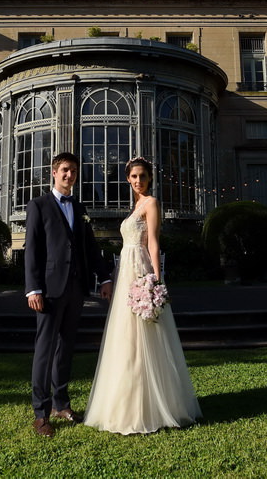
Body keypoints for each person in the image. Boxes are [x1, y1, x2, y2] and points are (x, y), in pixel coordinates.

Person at [83, 156, 202, 434]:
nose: (138, 181)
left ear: (150, 178)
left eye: (143, 176)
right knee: (126, 336)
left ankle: (152, 404)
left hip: (140, 271)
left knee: (146, 333)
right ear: (128, 179)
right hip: (125, 271)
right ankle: (125, 400)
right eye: (134, 177)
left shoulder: (151, 203)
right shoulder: (134, 206)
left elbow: (153, 241)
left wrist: (156, 280)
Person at [25, 152, 113, 438]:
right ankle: (41, 413)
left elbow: (89, 246)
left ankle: (61, 404)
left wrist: (105, 276)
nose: (69, 175)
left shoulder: (79, 205)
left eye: (73, 171)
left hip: (76, 288)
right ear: (54, 172)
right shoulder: (38, 205)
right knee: (44, 350)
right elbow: (32, 249)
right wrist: (33, 288)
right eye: (64, 170)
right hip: (49, 290)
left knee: (66, 349)